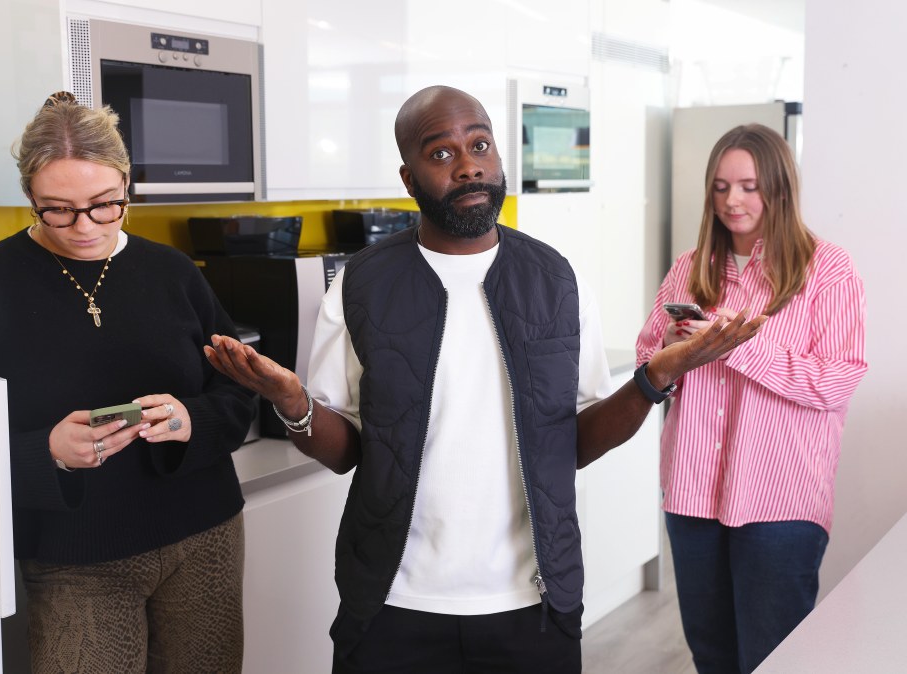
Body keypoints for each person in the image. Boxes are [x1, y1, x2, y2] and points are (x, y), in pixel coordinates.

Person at [206, 85, 765, 674]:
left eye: (480, 144)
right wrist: (292, 401)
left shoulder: (557, 279)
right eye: (441, 153)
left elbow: (575, 440)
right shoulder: (361, 284)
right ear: (409, 176)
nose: (468, 163)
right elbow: (345, 451)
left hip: (532, 602)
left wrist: (655, 377)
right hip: (392, 603)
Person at [0, 91, 255, 673]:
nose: (84, 227)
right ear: (29, 196)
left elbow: (238, 392)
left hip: (202, 535)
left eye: (105, 205)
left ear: (126, 186)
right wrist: (45, 453)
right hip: (72, 558)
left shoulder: (173, 272)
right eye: (57, 209)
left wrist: (191, 420)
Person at [636, 123, 868, 673]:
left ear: (779, 188)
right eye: (720, 187)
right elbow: (651, 370)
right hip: (692, 496)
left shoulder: (827, 270)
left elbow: (836, 380)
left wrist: (732, 346)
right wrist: (674, 350)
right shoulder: (689, 270)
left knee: (773, 659)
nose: (731, 201)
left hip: (781, 504)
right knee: (712, 657)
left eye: (747, 186)